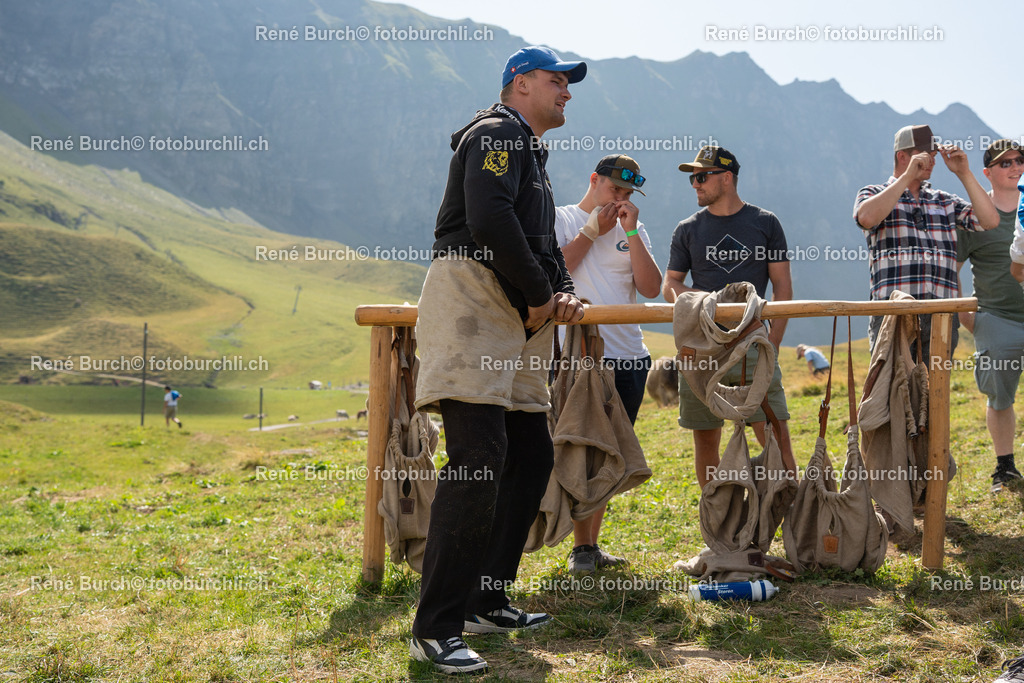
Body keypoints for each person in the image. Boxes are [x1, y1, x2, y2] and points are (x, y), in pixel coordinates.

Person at [409, 46, 586, 675]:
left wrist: (559, 289)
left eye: (568, 83)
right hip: (473, 301)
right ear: (520, 84)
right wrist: (543, 295)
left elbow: (541, 240)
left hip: (518, 310)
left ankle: (486, 598)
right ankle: (436, 626)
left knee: (531, 454)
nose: (566, 92)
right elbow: (486, 219)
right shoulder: (496, 135)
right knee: (478, 460)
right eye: (556, 81)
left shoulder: (529, 155)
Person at [553, 154, 663, 574]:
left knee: (614, 449)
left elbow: (650, 288)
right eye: (614, 189)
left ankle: (588, 547)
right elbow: (554, 272)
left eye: (627, 193)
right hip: (576, 357)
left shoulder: (632, 228)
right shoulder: (561, 218)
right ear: (594, 180)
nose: (620, 199)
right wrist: (590, 230)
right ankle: (575, 542)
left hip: (629, 357)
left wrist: (630, 229)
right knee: (579, 448)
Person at [662, 145, 796, 489]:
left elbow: (783, 287)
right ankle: (719, 528)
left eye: (701, 176)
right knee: (706, 441)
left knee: (775, 435)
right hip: (701, 349)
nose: (695, 184)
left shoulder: (766, 223)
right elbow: (670, 284)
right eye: (692, 178)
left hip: (753, 343)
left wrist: (773, 342)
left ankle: (798, 522)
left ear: (727, 178)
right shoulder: (687, 229)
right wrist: (699, 305)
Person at [853, 124, 999, 360]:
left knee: (936, 395)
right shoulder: (873, 193)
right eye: (924, 157)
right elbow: (867, 218)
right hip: (893, 315)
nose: (932, 162)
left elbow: (990, 220)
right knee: (891, 393)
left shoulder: (944, 200)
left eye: (933, 157)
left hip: (941, 316)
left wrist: (964, 173)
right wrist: (908, 176)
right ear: (902, 157)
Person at [956, 139, 1024, 491]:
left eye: (1019, 160)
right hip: (997, 319)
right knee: (1000, 397)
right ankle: (1005, 467)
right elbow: (949, 268)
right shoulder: (975, 216)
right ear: (987, 172)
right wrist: (967, 316)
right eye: (1004, 163)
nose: (1014, 167)